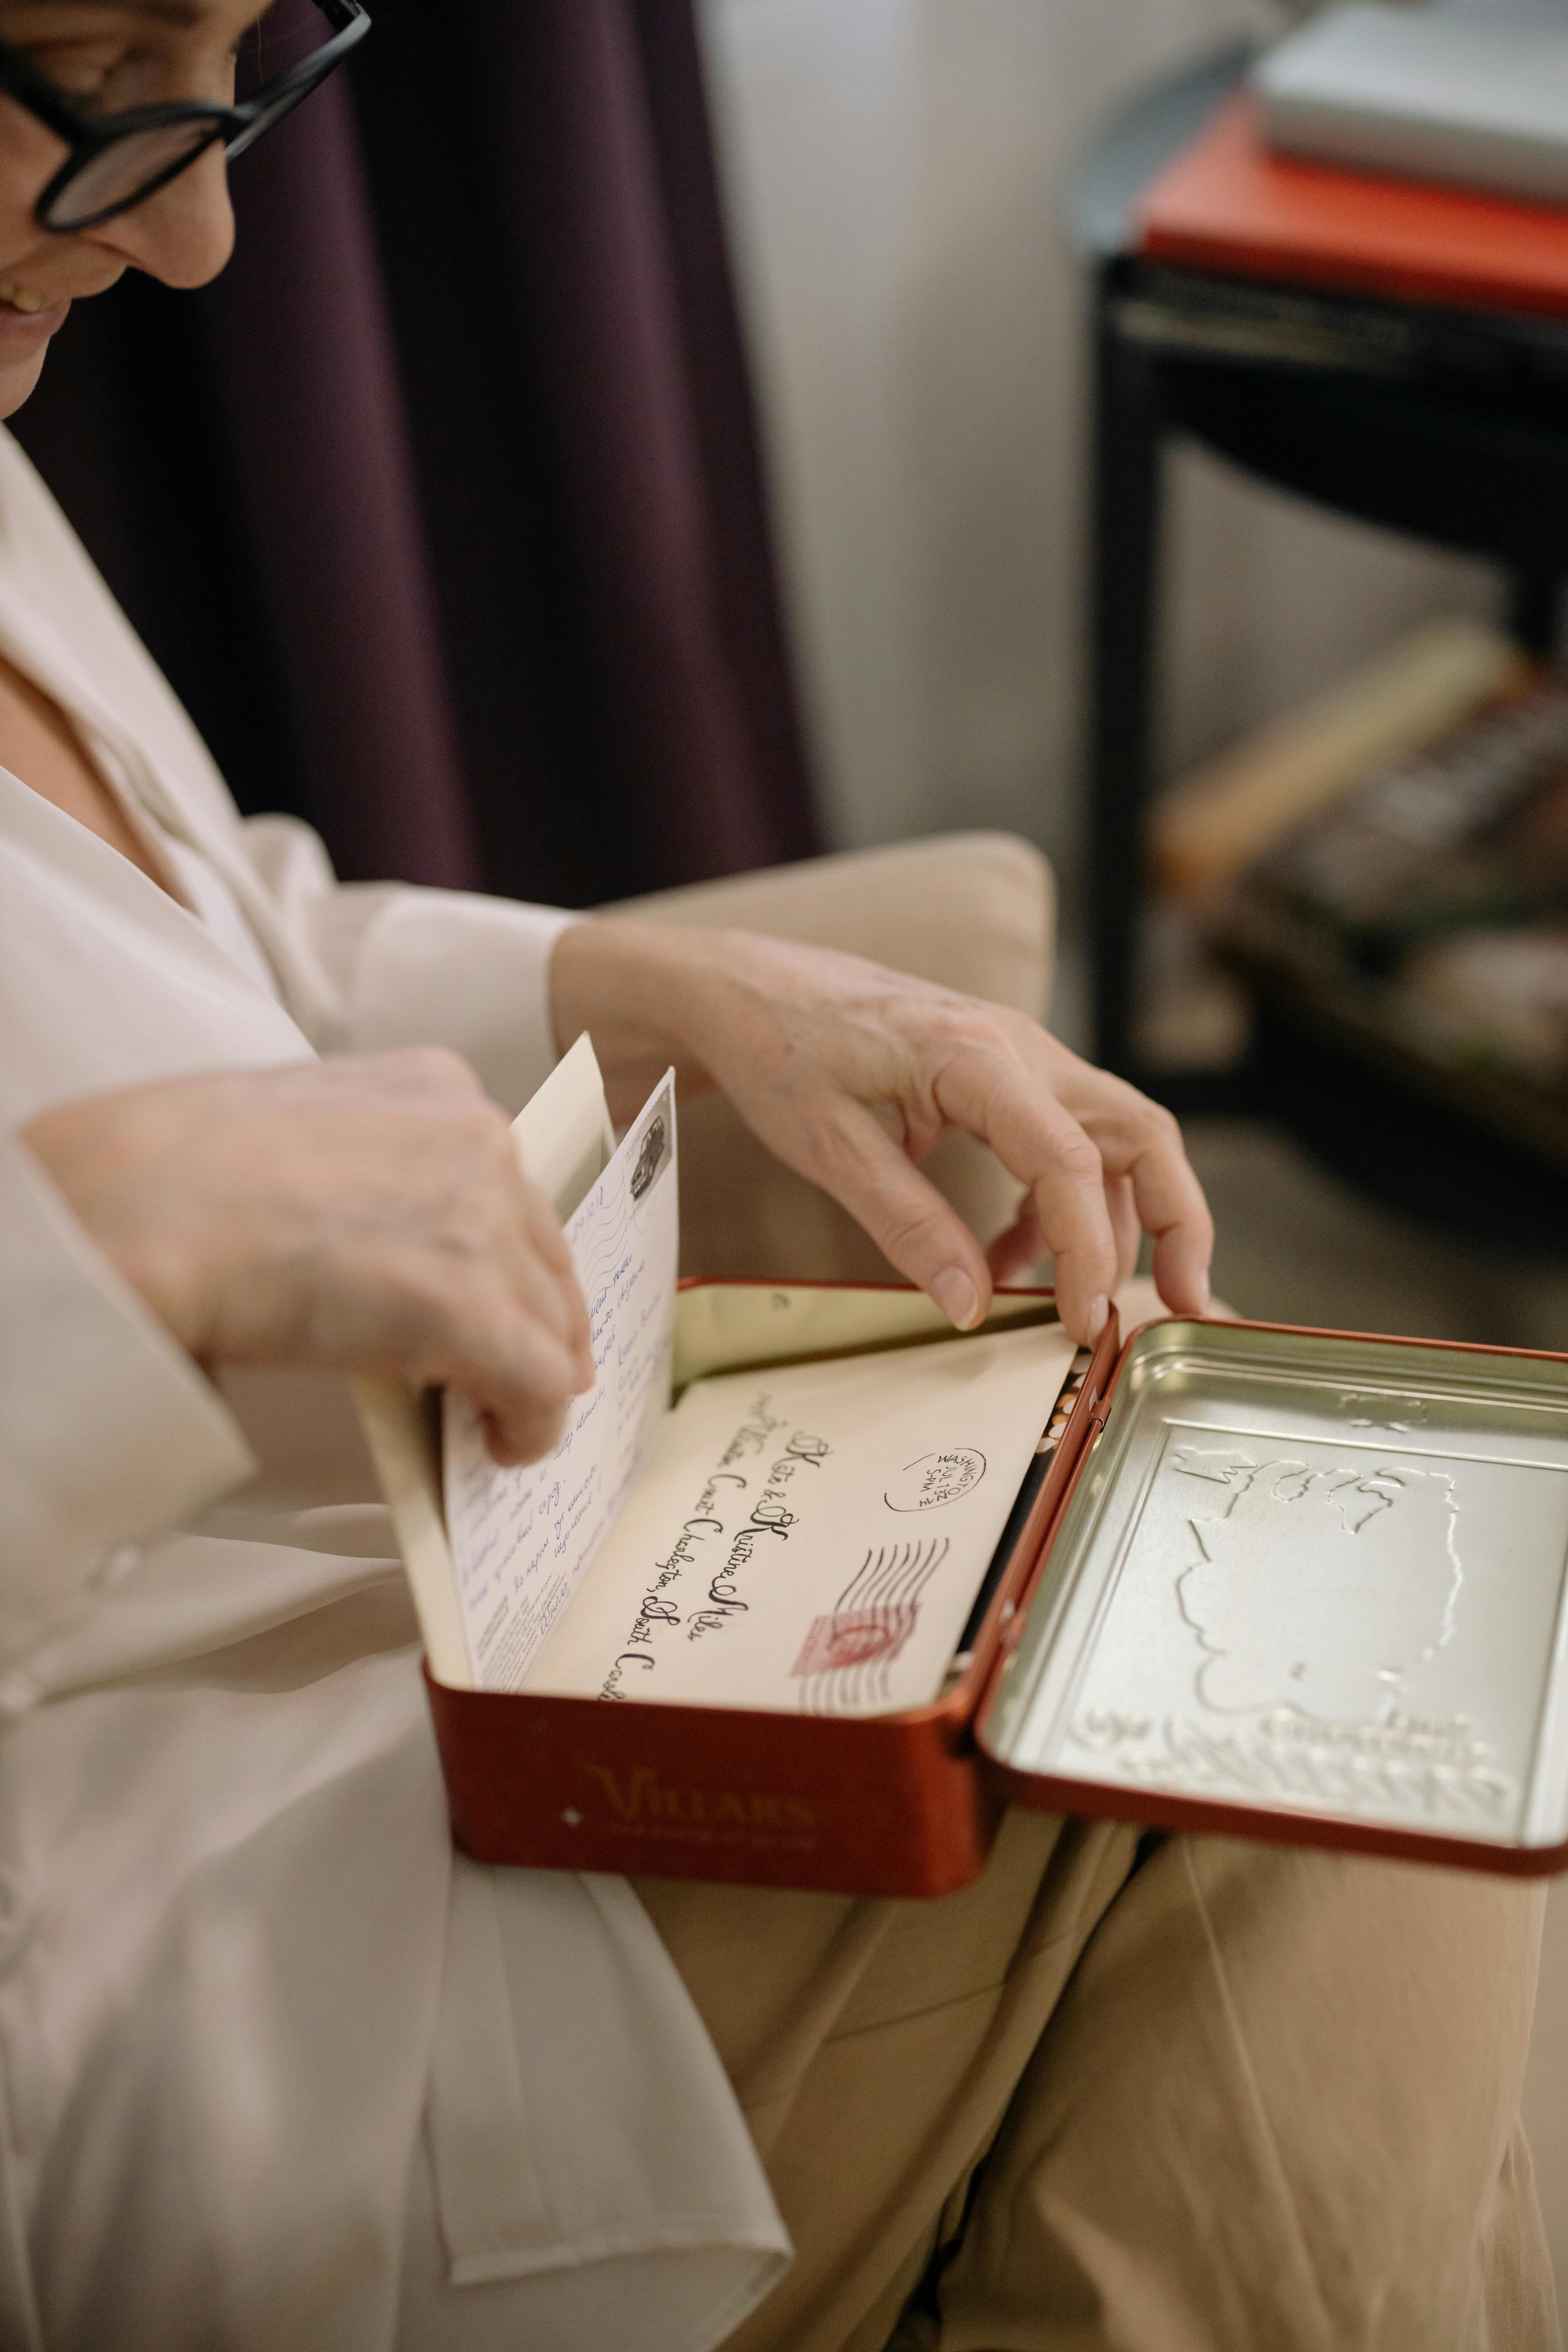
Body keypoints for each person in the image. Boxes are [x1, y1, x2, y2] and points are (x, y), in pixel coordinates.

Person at [0, 5, 1553, 2348]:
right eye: (104, 65)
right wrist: (94, 1259)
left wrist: (644, 994)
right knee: (1350, 1737)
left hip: (457, 1622)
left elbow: (208, 923)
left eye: (247, 58)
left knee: (1332, 1577)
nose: (203, 233)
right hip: (176, 1938)